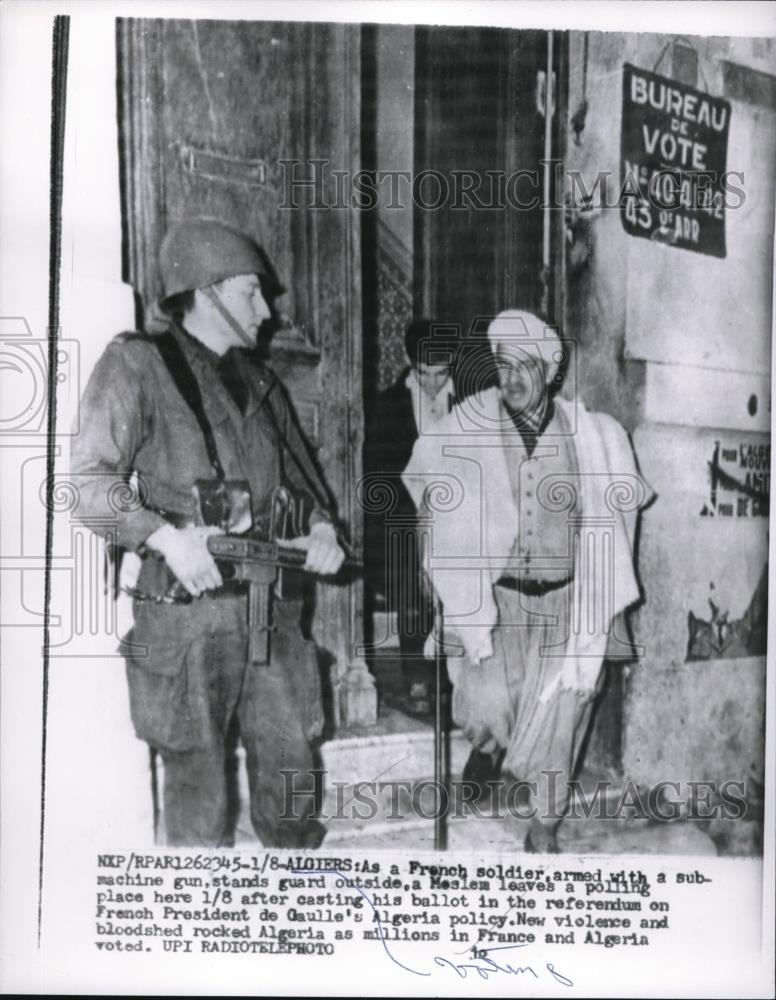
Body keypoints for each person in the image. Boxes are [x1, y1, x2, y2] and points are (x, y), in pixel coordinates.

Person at [71, 218, 345, 848]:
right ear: (208, 290)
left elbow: (305, 497)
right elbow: (84, 482)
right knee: (198, 804)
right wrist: (165, 537)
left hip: (270, 611)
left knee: (292, 783)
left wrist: (322, 531)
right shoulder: (137, 365)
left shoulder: (264, 384)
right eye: (252, 292)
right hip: (186, 619)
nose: (268, 311)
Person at [402, 309, 653, 852]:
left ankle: (544, 829)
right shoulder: (472, 421)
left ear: (550, 369)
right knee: (482, 706)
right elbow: (428, 471)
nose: (511, 378)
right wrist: (429, 550)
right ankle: (488, 747)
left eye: (525, 366)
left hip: (565, 602)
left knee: (565, 714)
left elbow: (617, 510)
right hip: (499, 600)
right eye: (501, 365)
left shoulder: (592, 435)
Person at [366, 319, 456, 717]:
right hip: (405, 517)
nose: (434, 384)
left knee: (455, 599)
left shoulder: (470, 403)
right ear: (408, 362)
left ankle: (452, 680)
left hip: (455, 519)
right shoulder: (388, 405)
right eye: (424, 374)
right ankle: (417, 678)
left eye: (442, 373)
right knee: (412, 598)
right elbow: (379, 471)